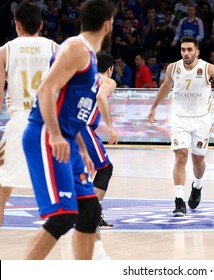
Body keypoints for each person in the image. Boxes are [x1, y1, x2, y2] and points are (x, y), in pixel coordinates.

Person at [21, 0, 115, 260]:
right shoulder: (77, 48)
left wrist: (82, 148)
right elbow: (46, 89)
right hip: (45, 134)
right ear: (108, 24)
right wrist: (54, 134)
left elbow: (71, 109)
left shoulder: (89, 56)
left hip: (69, 139)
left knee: (89, 212)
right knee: (63, 216)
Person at [147, 36, 214, 217]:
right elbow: (165, 87)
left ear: (197, 51)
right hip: (179, 119)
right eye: (183, 50)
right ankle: (179, 201)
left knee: (198, 162)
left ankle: (197, 186)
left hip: (201, 120)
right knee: (181, 156)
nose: (186, 53)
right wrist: (154, 107)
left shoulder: (208, 68)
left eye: (189, 50)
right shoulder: (173, 68)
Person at [0, 2, 58, 227]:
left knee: (3, 188)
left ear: (16, 25)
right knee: (59, 188)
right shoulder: (56, 48)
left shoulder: (5, 50)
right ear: (42, 25)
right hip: (49, 122)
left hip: (20, 121)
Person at [80, 52, 118, 259]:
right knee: (105, 167)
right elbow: (101, 96)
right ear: (110, 68)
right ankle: (92, 212)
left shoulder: (84, 78)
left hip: (68, 128)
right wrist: (110, 128)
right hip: (84, 128)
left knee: (88, 172)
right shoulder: (108, 80)